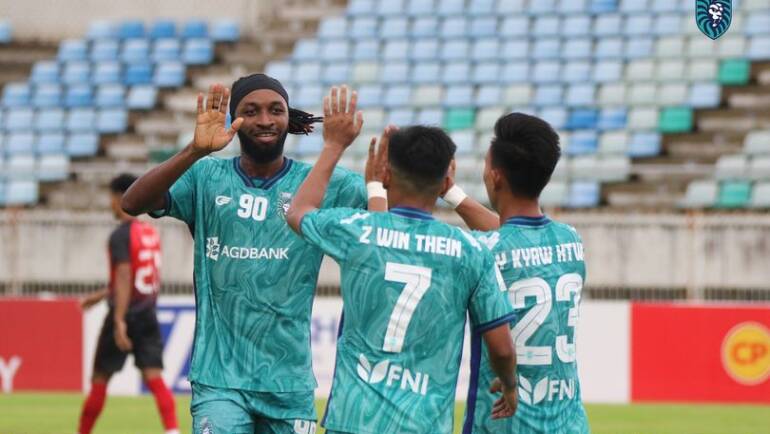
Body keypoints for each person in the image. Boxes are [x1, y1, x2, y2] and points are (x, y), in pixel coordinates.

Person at [121, 75, 371, 434]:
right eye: (250, 111)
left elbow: (388, 218)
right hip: (219, 378)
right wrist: (194, 150)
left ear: (290, 118)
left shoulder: (325, 183)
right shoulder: (205, 175)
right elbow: (132, 202)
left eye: (276, 110)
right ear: (233, 120)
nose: (265, 120)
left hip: (290, 381)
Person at [286, 86, 519, 434]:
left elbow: (299, 211)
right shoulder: (472, 250)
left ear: (387, 173)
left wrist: (335, 148)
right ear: (446, 176)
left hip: (354, 419)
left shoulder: (357, 232)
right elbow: (500, 346)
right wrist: (510, 383)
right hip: (423, 423)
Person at [444, 113, 589, 434]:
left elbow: (500, 242)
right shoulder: (571, 240)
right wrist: (452, 194)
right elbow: (514, 237)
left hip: (504, 423)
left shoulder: (480, 250)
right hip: (569, 424)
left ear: (495, 177)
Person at [78, 174, 178, 434]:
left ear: (118, 197)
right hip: (147, 312)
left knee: (100, 378)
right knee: (154, 377)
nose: (111, 204)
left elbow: (124, 275)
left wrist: (119, 319)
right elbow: (134, 276)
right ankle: (173, 431)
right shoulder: (149, 232)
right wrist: (100, 295)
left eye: (111, 198)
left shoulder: (120, 235)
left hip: (123, 312)